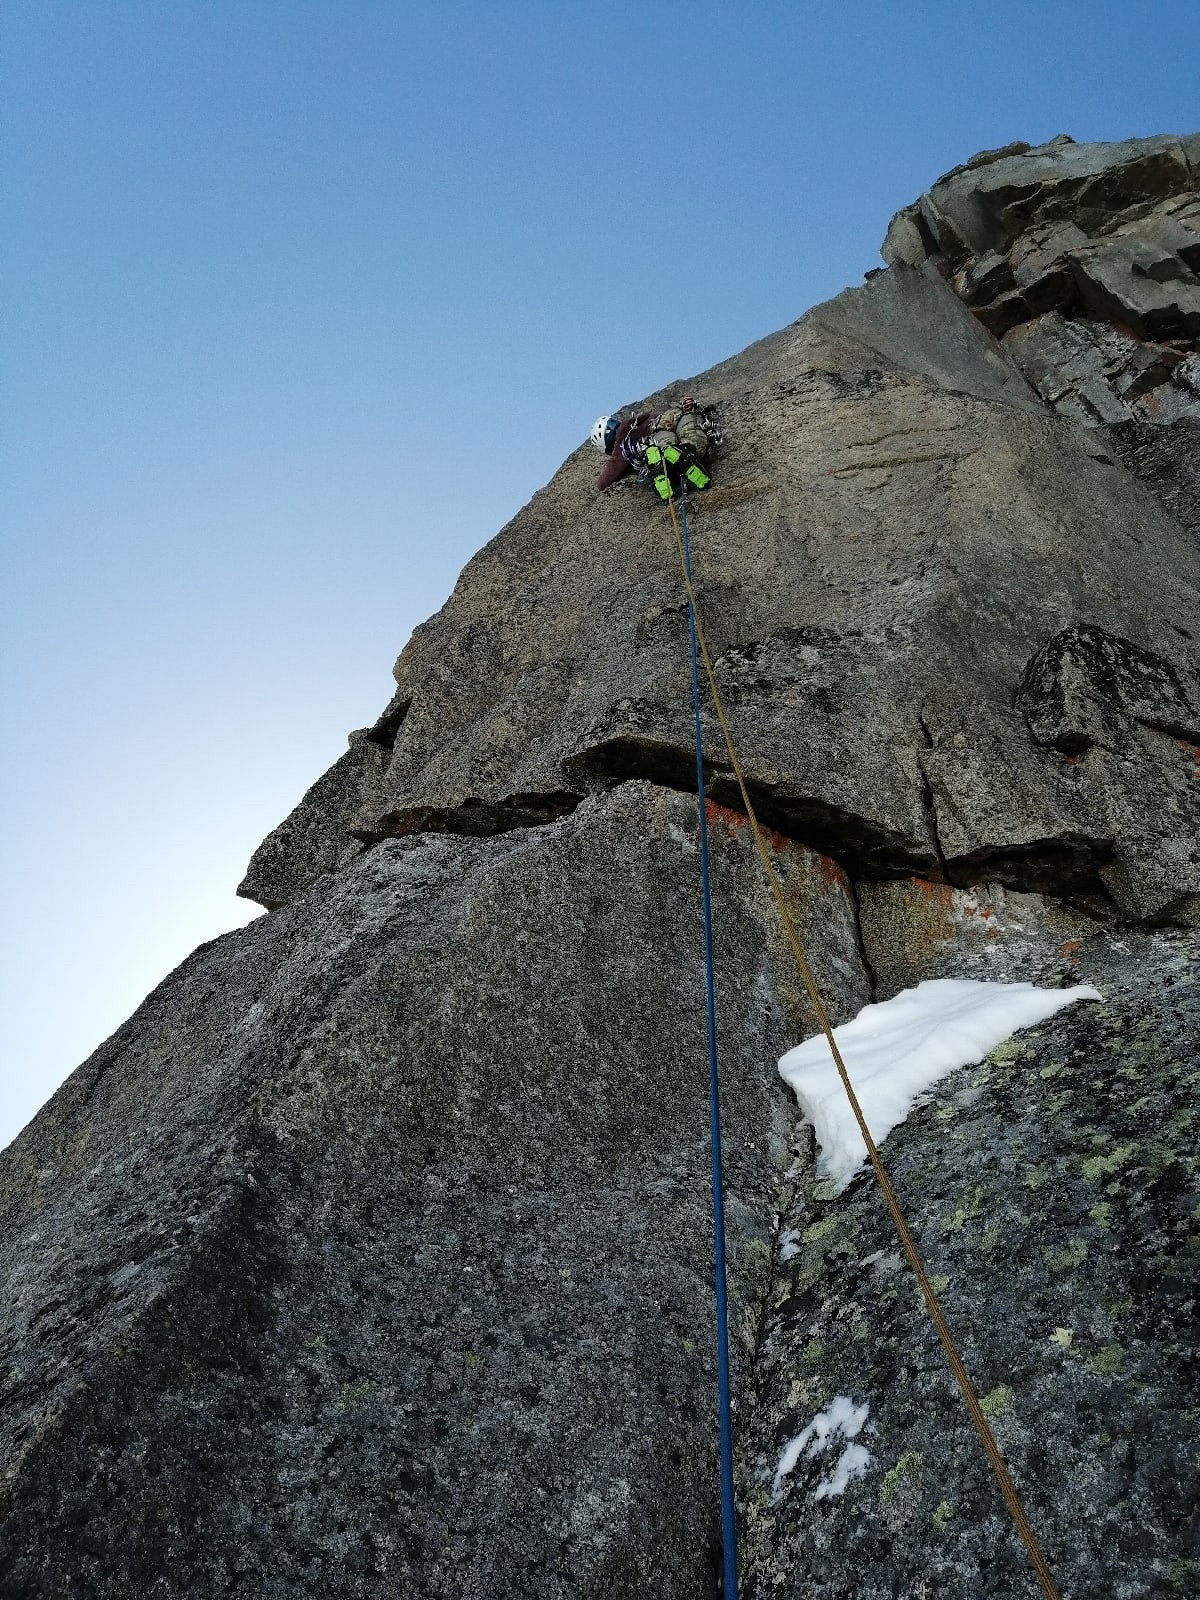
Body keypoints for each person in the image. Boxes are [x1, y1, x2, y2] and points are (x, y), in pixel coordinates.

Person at [591, 396, 718, 500]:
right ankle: (688, 451)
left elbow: (606, 479)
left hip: (657, 435)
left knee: (663, 448)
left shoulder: (622, 442)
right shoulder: (637, 421)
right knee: (689, 432)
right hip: (672, 417)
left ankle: (665, 467)